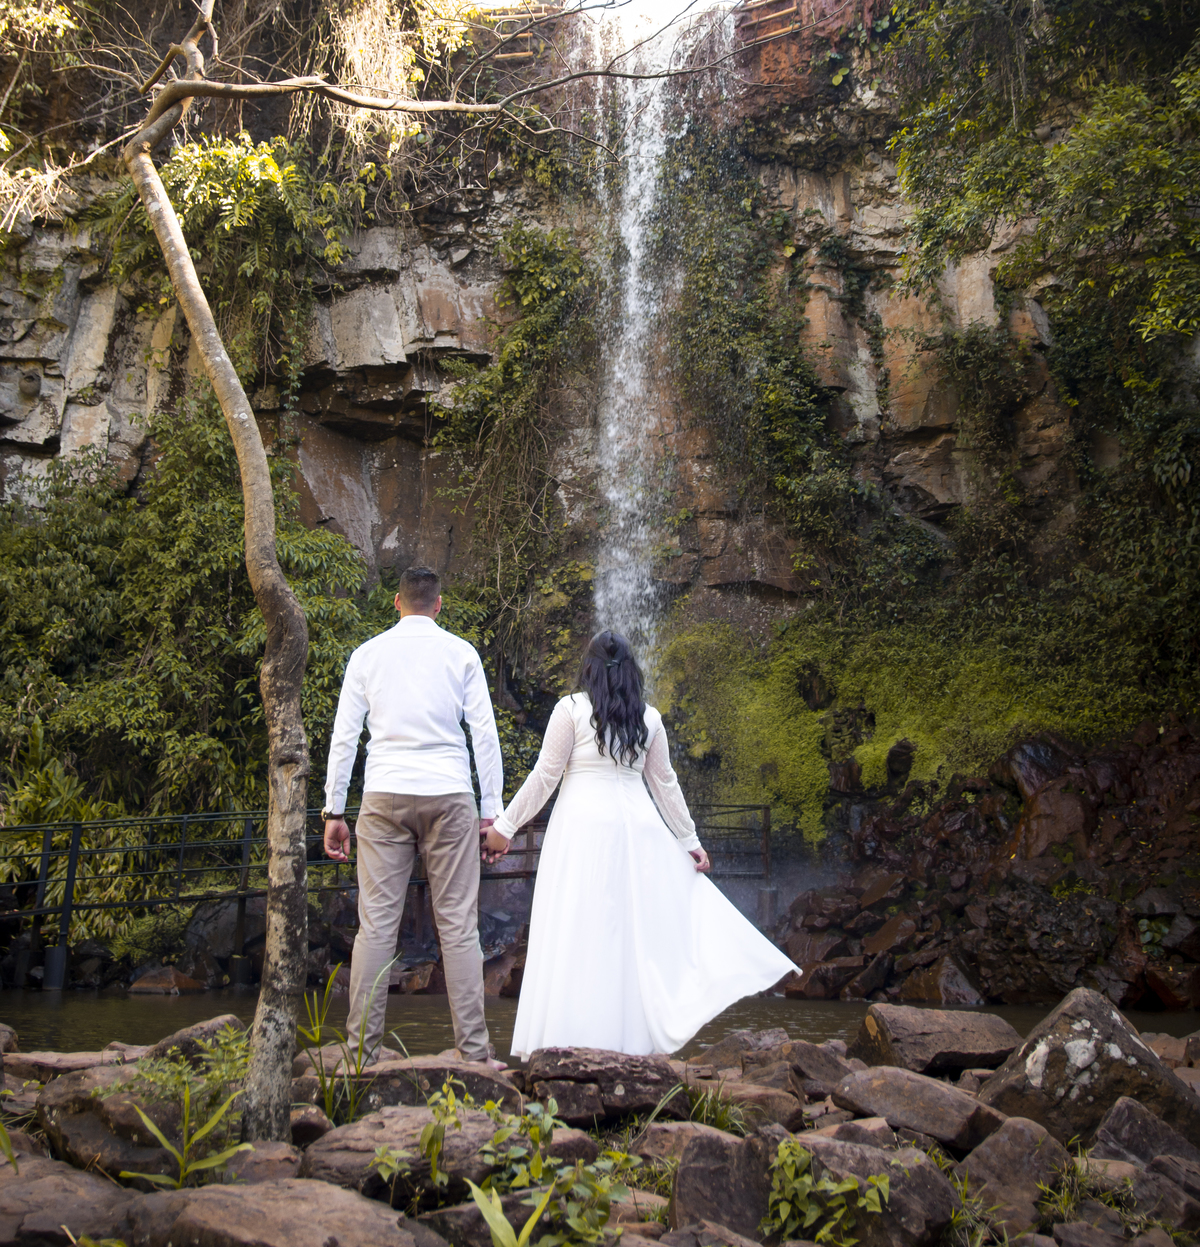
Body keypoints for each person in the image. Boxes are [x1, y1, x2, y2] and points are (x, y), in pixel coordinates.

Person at [482, 630, 798, 1058]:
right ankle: (629, 1044)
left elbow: (545, 776)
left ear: (588, 668)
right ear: (632, 670)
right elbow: (664, 783)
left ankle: (570, 1040)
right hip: (638, 829)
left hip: (582, 829)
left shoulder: (570, 710)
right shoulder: (648, 717)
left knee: (578, 927)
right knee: (629, 934)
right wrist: (689, 840)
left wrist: (505, 826)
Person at [323, 566, 504, 1067]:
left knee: (376, 927)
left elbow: (344, 738)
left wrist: (334, 810)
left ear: (397, 604)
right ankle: (474, 1054)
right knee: (459, 927)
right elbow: (483, 737)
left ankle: (361, 1054)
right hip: (449, 794)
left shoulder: (367, 655)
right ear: (439, 605)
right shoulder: (462, 653)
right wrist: (492, 813)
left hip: (383, 796)